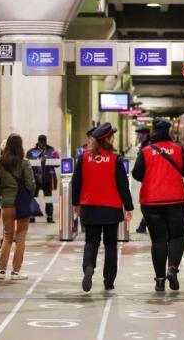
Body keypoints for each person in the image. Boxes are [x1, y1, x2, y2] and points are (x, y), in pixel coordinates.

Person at [132, 118, 184, 292]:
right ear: (169, 132)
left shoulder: (145, 151)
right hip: (175, 201)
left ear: (154, 133)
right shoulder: (177, 149)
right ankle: (172, 269)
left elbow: (136, 174)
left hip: (151, 202)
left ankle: (159, 281)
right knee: (177, 237)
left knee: (158, 241)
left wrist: (152, 176)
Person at [72, 122, 134, 292]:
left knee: (91, 242)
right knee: (110, 244)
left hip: (90, 207)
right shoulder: (115, 160)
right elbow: (123, 186)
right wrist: (129, 207)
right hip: (111, 209)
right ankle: (109, 280)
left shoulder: (84, 158)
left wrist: (75, 204)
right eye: (112, 136)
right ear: (107, 140)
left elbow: (75, 183)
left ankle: (89, 267)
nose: (113, 138)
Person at [0, 134, 36, 280]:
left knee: (7, 236)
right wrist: (28, 195)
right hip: (21, 203)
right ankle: (16, 272)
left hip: (7, 204)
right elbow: (30, 185)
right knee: (20, 238)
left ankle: (1, 271)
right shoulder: (24, 163)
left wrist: (4, 193)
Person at [26, 135, 60, 223]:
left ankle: (49, 216)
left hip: (47, 178)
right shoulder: (31, 151)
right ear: (38, 141)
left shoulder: (51, 150)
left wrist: (55, 157)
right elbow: (27, 164)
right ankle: (32, 216)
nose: (42, 143)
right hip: (35, 178)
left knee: (49, 198)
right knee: (33, 197)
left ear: (45, 141)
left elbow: (57, 164)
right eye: (40, 141)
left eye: (43, 141)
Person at [134, 125, 151, 234]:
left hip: (150, 180)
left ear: (145, 134)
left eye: (139, 134)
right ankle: (143, 225)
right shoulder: (144, 145)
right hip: (147, 179)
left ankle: (143, 225)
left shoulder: (149, 146)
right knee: (148, 204)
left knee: (149, 204)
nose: (138, 136)